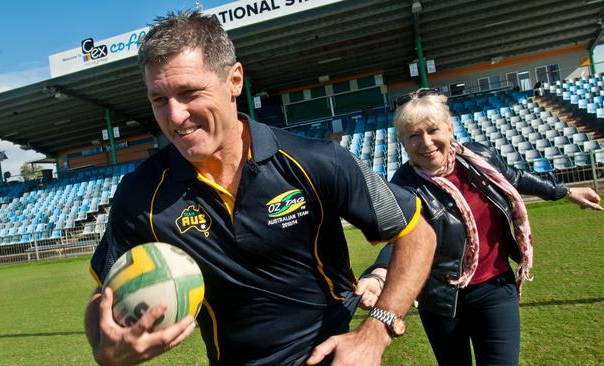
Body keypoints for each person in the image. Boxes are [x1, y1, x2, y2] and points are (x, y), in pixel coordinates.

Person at [84, 11, 437, 366]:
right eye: (159, 99)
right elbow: (104, 295)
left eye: (189, 92)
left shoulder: (319, 161)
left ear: (234, 80)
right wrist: (105, 347)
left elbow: (417, 234)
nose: (174, 116)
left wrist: (377, 331)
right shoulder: (139, 194)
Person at [357, 88, 603, 365]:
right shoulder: (403, 186)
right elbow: (401, 240)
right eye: (414, 135)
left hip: (496, 288)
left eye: (432, 130)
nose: (426, 142)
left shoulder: (480, 157)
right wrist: (378, 274)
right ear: (403, 142)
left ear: (450, 130)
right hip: (441, 301)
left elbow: (516, 178)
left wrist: (567, 192)